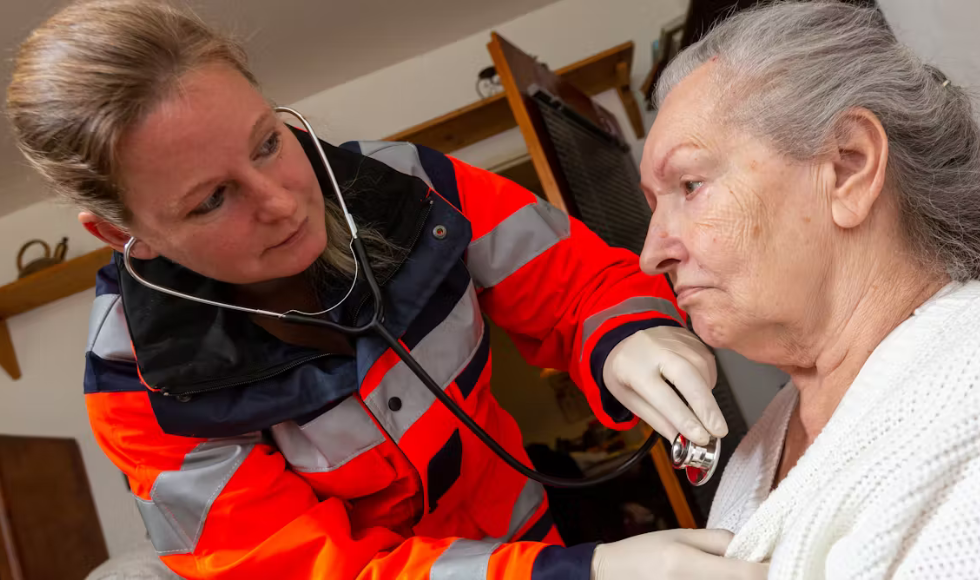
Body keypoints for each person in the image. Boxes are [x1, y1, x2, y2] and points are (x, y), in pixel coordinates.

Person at [6, 2, 769, 579]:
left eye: (269, 142)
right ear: (122, 235)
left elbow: (573, 278)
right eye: (211, 200)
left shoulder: (408, 187)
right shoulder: (138, 392)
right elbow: (306, 571)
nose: (281, 200)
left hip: (533, 532)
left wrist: (627, 335)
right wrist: (585, 572)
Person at [640, 1, 980, 578]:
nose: (652, 255)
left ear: (848, 167)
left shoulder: (964, 400)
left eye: (691, 184)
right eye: (654, 206)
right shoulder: (762, 446)